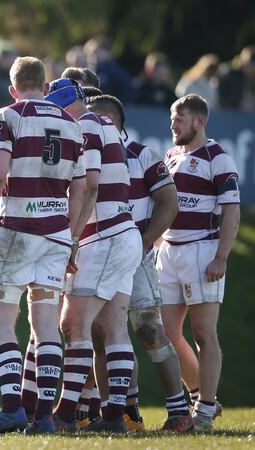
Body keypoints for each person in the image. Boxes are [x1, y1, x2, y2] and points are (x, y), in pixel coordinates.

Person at [0, 58, 87, 435]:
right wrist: (72, 238)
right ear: (46, 84)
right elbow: (81, 187)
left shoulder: (9, 115)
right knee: (45, 324)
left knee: (0, 321)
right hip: (54, 236)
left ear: (13, 86)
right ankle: (45, 416)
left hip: (17, 230)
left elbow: (0, 174)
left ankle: (11, 408)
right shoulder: (72, 123)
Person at [87, 94, 196, 433]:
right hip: (94, 256)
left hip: (133, 257)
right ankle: (118, 413)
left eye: (92, 118)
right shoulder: (84, 153)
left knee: (149, 329)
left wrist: (144, 241)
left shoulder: (141, 154)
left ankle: (179, 411)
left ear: (110, 120)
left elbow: (169, 203)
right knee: (99, 336)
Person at [46, 77, 141, 433]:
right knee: (114, 327)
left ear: (64, 104)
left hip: (103, 236)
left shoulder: (82, 125)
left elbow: (92, 184)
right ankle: (114, 414)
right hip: (123, 232)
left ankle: (68, 411)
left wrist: (71, 237)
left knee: (74, 324)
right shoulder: (104, 123)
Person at [159, 94, 240, 433]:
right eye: (172, 117)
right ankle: (200, 396)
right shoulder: (171, 154)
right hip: (168, 250)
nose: (173, 124)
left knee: (204, 334)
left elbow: (232, 210)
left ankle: (204, 412)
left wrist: (221, 256)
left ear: (199, 121)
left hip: (201, 251)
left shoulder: (217, 157)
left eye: (180, 118)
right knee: (163, 334)